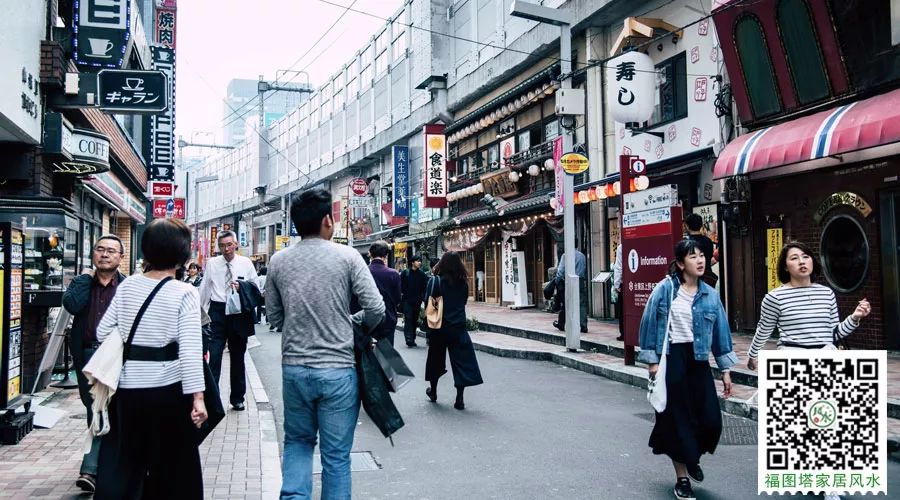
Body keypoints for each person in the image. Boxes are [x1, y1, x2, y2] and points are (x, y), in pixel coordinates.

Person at [266, 188, 384, 500]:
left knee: (298, 442)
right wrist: (352, 324)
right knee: (336, 456)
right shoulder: (348, 256)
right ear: (327, 220)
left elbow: (275, 317)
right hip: (338, 370)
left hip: (295, 369)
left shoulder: (278, 261)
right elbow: (376, 309)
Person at [93, 218, 207, 498]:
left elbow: (102, 331)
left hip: (128, 390)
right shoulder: (185, 292)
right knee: (174, 467)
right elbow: (190, 351)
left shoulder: (128, 286)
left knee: (129, 463)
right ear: (181, 255)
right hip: (168, 391)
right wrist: (198, 397)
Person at [638, 239, 737, 500]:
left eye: (702, 256)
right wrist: (652, 361)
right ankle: (682, 478)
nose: (700, 261)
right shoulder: (665, 290)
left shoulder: (710, 295)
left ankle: (693, 456)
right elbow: (649, 323)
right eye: (693, 257)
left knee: (711, 420)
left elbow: (721, 333)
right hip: (672, 360)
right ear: (681, 264)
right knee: (676, 421)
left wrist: (726, 370)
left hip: (699, 361)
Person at [61, 234, 126, 493]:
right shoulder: (81, 282)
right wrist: (87, 278)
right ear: (93, 254)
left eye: (111, 251)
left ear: (121, 257)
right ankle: (98, 467)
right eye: (100, 249)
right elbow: (72, 305)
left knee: (109, 408)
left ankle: (92, 469)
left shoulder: (126, 286)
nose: (105, 254)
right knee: (95, 409)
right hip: (87, 355)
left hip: (115, 356)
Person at [747, 241, 871, 368]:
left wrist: (855, 317)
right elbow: (764, 329)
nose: (801, 261)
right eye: (794, 258)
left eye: (806, 256)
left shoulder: (827, 293)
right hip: (791, 360)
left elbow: (835, 333)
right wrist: (753, 355)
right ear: (785, 266)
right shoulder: (775, 297)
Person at [198, 230, 258, 411]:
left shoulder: (246, 263)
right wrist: (200, 314)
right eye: (222, 246)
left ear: (236, 244)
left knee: (238, 356)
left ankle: (238, 398)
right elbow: (205, 288)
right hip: (217, 311)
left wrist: (242, 287)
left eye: (229, 245)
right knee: (214, 356)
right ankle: (212, 398)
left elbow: (255, 287)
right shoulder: (212, 264)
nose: (226, 249)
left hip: (238, 312)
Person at [424, 251, 483, 410]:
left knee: (435, 360)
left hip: (439, 327)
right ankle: (460, 398)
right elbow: (463, 303)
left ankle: (434, 392)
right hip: (457, 326)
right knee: (461, 363)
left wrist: (429, 330)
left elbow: (430, 305)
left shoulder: (436, 282)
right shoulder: (463, 283)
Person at [363, 241, 401, 346]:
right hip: (387, 318)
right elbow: (397, 299)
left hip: (364, 319)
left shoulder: (362, 271)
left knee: (364, 356)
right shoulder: (393, 274)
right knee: (387, 354)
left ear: (370, 253)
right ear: (386, 255)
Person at [553, 245, 588, 333]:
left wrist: (557, 281)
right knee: (581, 303)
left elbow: (561, 270)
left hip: (568, 281)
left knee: (566, 303)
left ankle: (561, 323)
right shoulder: (582, 256)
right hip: (580, 280)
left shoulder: (566, 255)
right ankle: (583, 325)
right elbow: (584, 269)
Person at [400, 255, 428, 348]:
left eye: (420, 261)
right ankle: (409, 339)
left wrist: (424, 300)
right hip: (407, 301)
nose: (419, 263)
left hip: (417, 301)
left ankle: (413, 338)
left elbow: (425, 289)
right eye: (417, 261)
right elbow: (400, 286)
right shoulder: (405, 273)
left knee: (414, 320)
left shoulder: (422, 275)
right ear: (412, 262)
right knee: (408, 319)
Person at [684, 213, 718, 288]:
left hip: (692, 279)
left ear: (687, 226)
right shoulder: (708, 241)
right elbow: (710, 257)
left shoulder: (685, 243)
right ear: (701, 225)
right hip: (707, 278)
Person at [612, 243, 624, 341]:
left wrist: (617, 284)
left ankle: (624, 333)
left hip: (625, 284)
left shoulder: (622, 247)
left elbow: (619, 267)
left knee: (623, 310)